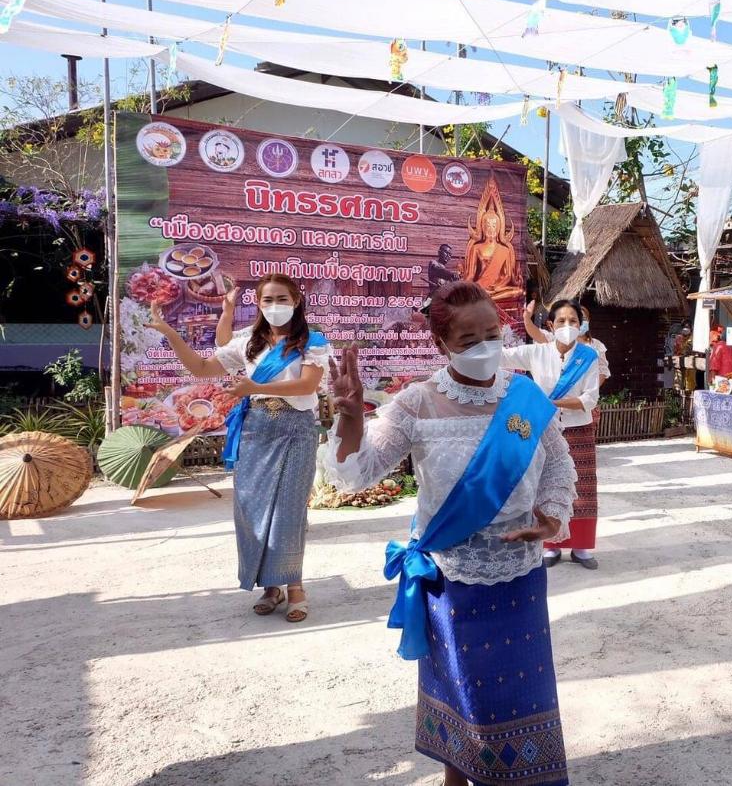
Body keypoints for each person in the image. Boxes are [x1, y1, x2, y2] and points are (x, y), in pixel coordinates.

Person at [323, 281, 575, 786]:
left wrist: (551, 515)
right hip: (453, 578)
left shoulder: (523, 395)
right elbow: (358, 472)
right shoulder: (417, 403)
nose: (485, 347)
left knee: (525, 691)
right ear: (441, 345)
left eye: (492, 333)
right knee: (463, 692)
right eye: (468, 340)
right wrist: (350, 417)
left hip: (520, 574)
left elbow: (558, 463)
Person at [148, 274, 328, 622]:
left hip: (296, 430)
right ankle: (269, 587)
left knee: (289, 512)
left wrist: (254, 386)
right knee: (251, 511)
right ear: (258, 304)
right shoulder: (248, 343)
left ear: (296, 301)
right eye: (267, 300)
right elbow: (201, 367)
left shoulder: (311, 340)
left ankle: (295, 587)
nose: (274, 306)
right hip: (256, 430)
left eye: (281, 299)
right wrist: (170, 333)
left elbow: (308, 384)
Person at [505, 298, 602, 570]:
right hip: (545, 431)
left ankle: (581, 547)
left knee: (582, 489)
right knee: (545, 484)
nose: (568, 326)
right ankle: (550, 545)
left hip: (578, 428)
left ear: (581, 325)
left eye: (573, 321)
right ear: (550, 324)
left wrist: (552, 403)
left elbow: (589, 398)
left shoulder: (589, 356)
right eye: (561, 321)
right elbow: (501, 357)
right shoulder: (538, 352)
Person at [524, 302, 610, 387]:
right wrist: (527, 319)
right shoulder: (558, 339)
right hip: (558, 391)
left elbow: (602, 371)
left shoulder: (597, 345)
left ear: (588, 320)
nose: (581, 322)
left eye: (583, 318)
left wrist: (590, 391)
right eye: (575, 319)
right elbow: (538, 335)